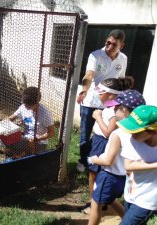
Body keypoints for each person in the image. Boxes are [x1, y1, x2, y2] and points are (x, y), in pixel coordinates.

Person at [87, 90, 146, 225]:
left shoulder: (118, 133)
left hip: (109, 175)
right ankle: (128, 220)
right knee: (111, 199)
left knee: (95, 205)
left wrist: (94, 159)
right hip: (124, 177)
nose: (114, 109)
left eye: (116, 108)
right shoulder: (138, 133)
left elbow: (108, 160)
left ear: (124, 111)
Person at [76, 29, 127, 172]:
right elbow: (89, 74)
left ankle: (99, 158)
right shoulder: (95, 55)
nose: (109, 47)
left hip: (109, 104)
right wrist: (84, 90)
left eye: (114, 45)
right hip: (91, 101)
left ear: (121, 46)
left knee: (103, 134)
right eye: (107, 43)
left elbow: (121, 79)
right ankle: (83, 161)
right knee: (85, 134)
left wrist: (121, 99)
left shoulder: (123, 59)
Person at [82, 77, 134, 214]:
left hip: (102, 143)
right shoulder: (111, 105)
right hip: (98, 142)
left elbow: (108, 132)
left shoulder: (113, 110)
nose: (98, 94)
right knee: (94, 173)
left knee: (93, 173)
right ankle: (98, 201)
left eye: (101, 92)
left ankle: (95, 203)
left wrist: (98, 117)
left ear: (110, 94)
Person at [117, 105, 157, 225]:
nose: (131, 134)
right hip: (131, 193)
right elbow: (128, 166)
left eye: (136, 131)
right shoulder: (133, 141)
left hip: (148, 199)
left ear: (153, 131)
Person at [8, 86, 55, 158]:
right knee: (5, 140)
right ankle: (16, 156)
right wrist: (2, 125)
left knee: (28, 147)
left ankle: (25, 158)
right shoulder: (23, 106)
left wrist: (37, 139)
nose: (25, 107)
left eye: (28, 105)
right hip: (25, 137)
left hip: (39, 142)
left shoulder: (45, 113)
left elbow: (52, 133)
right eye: (24, 104)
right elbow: (12, 117)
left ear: (36, 103)